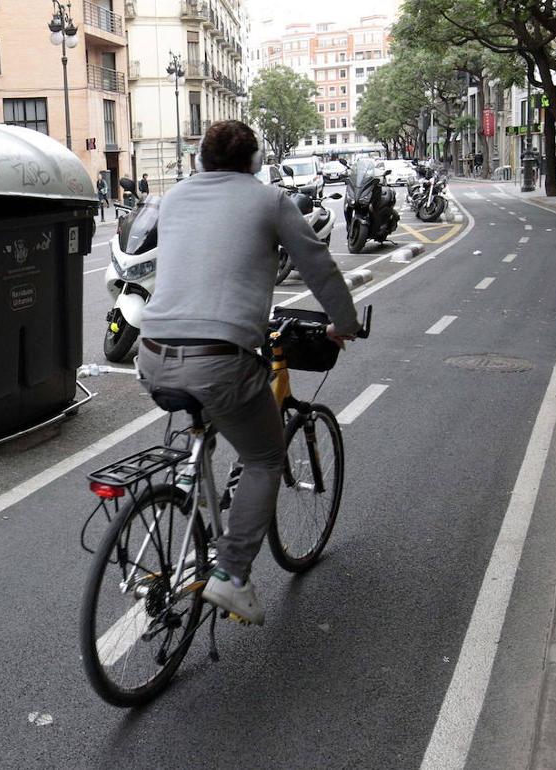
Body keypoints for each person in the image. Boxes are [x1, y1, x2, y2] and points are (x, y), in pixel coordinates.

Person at [137, 120, 359, 625]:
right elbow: (318, 265)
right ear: (255, 162)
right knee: (263, 456)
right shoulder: (270, 201)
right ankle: (232, 575)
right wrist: (343, 324)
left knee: (212, 415)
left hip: (151, 354)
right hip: (220, 359)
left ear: (199, 160)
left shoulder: (172, 199)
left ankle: (196, 488)